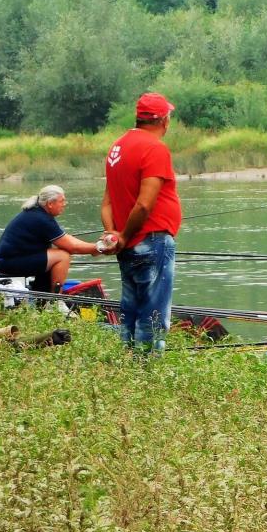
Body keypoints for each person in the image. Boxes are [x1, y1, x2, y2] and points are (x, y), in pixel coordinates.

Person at [100, 92, 182, 353]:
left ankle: (128, 361)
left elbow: (107, 203)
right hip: (152, 240)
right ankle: (148, 367)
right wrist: (123, 235)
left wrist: (113, 234)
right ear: (163, 120)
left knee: (131, 309)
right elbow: (145, 204)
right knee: (154, 313)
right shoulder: (155, 148)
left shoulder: (117, 147)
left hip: (127, 245)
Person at [0, 185, 107, 293]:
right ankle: (54, 299)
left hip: (9, 260)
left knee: (56, 252)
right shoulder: (41, 218)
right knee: (63, 256)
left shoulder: (38, 213)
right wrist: (98, 248)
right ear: (50, 204)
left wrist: (95, 247)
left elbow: (66, 239)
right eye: (61, 201)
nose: (64, 204)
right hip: (10, 262)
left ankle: (42, 296)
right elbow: (72, 247)